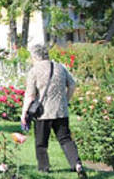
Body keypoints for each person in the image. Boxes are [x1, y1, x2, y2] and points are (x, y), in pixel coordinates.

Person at [21, 45, 87, 178]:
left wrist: (24, 113)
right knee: (65, 139)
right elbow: (72, 85)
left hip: (43, 113)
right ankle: (77, 164)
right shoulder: (60, 67)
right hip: (61, 111)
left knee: (41, 142)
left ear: (35, 56)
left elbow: (30, 96)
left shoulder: (34, 71)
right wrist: (66, 100)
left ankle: (44, 169)